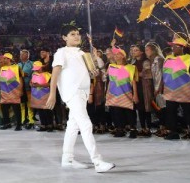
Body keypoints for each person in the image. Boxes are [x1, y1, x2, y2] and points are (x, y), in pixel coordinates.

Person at [46, 24, 115, 173]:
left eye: (77, 33)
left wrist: (94, 68)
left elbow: (91, 75)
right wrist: (52, 94)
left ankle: (67, 159)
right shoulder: (61, 52)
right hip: (72, 93)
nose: (77, 36)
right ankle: (97, 161)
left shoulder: (83, 54)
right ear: (64, 37)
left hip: (83, 92)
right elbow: (55, 74)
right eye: (72, 34)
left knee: (73, 126)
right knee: (86, 124)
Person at [161, 36, 190, 141]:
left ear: (181, 47)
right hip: (170, 90)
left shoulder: (189, 59)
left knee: (189, 113)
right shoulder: (168, 58)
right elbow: (165, 74)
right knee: (170, 112)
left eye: (175, 46)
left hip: (185, 90)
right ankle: (173, 133)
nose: (172, 48)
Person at [105, 47, 138, 138]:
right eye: (115, 54)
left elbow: (133, 82)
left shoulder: (130, 67)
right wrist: (107, 93)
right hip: (114, 92)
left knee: (129, 111)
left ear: (123, 56)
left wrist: (135, 95)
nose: (116, 56)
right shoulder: (111, 67)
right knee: (117, 111)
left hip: (126, 92)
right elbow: (110, 81)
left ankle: (133, 129)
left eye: (118, 54)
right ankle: (120, 129)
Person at [0, 53, 23, 131]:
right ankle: (6, 124)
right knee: (4, 108)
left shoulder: (17, 67)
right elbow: (1, 79)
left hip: (15, 90)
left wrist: (21, 90)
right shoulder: (2, 68)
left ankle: (19, 125)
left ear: (9, 59)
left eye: (4, 58)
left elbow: (21, 79)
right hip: (5, 91)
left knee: (16, 109)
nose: (3, 60)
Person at [145, 42, 166, 137]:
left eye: (147, 50)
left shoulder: (159, 59)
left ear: (153, 50)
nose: (146, 52)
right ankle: (162, 128)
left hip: (161, 88)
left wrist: (158, 88)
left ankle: (165, 129)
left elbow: (160, 75)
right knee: (159, 109)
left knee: (163, 109)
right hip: (156, 87)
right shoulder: (153, 60)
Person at [30, 61, 53, 132]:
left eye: (37, 68)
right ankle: (43, 125)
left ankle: (50, 125)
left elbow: (49, 84)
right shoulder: (34, 74)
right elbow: (30, 83)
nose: (36, 70)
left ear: (41, 67)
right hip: (37, 95)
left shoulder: (48, 74)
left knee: (47, 110)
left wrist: (39, 85)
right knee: (40, 110)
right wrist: (31, 84)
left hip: (46, 95)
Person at [18, 49, 35, 129]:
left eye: (23, 54)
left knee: (29, 104)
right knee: (21, 104)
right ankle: (22, 120)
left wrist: (27, 75)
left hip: (29, 87)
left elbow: (35, 74)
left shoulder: (32, 64)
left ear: (27, 55)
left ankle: (31, 121)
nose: (21, 56)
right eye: (20, 54)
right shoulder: (17, 65)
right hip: (20, 88)